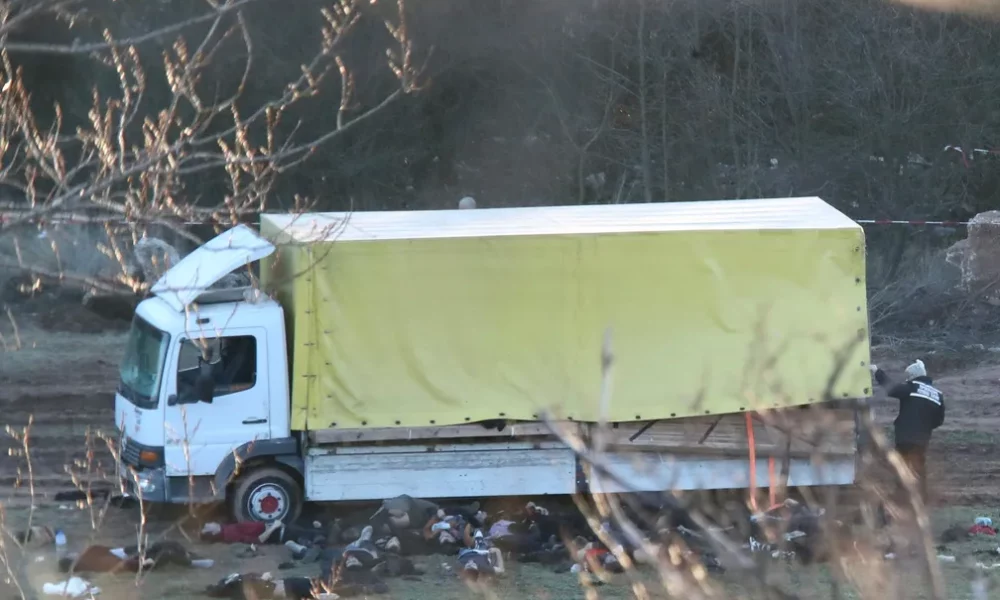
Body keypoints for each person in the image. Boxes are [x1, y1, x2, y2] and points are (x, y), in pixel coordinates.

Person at [871, 359, 945, 503]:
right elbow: (939, 420)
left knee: (901, 466)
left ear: (913, 376)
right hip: (923, 439)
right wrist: (924, 427)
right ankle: (921, 499)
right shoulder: (937, 395)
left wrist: (877, 371)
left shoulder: (912, 388)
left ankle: (901, 498)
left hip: (905, 437)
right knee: (918, 468)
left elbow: (891, 388)